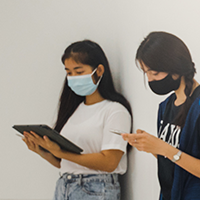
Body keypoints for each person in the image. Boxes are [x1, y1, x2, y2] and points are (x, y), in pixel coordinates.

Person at [121, 31, 200, 200]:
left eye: (155, 73)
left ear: (176, 68)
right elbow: (175, 158)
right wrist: (152, 146)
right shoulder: (166, 106)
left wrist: (163, 148)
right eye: (146, 74)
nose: (150, 80)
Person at [22, 39, 132, 200]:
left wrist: (61, 152)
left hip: (96, 189)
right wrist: (44, 151)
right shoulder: (74, 109)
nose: (73, 78)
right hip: (65, 186)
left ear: (99, 70)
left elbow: (110, 162)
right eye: (69, 72)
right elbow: (68, 164)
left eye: (79, 72)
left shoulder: (115, 110)